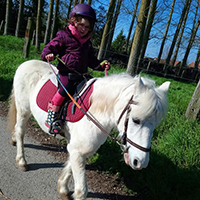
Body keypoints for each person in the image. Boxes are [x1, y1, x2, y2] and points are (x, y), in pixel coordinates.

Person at [41, 3, 110, 134]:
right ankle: (52, 117)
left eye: (87, 27)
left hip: (81, 75)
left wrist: (101, 66)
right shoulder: (63, 36)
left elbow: (91, 60)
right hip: (66, 74)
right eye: (81, 25)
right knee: (64, 90)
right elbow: (50, 47)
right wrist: (48, 54)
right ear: (74, 21)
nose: (84, 29)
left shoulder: (87, 43)